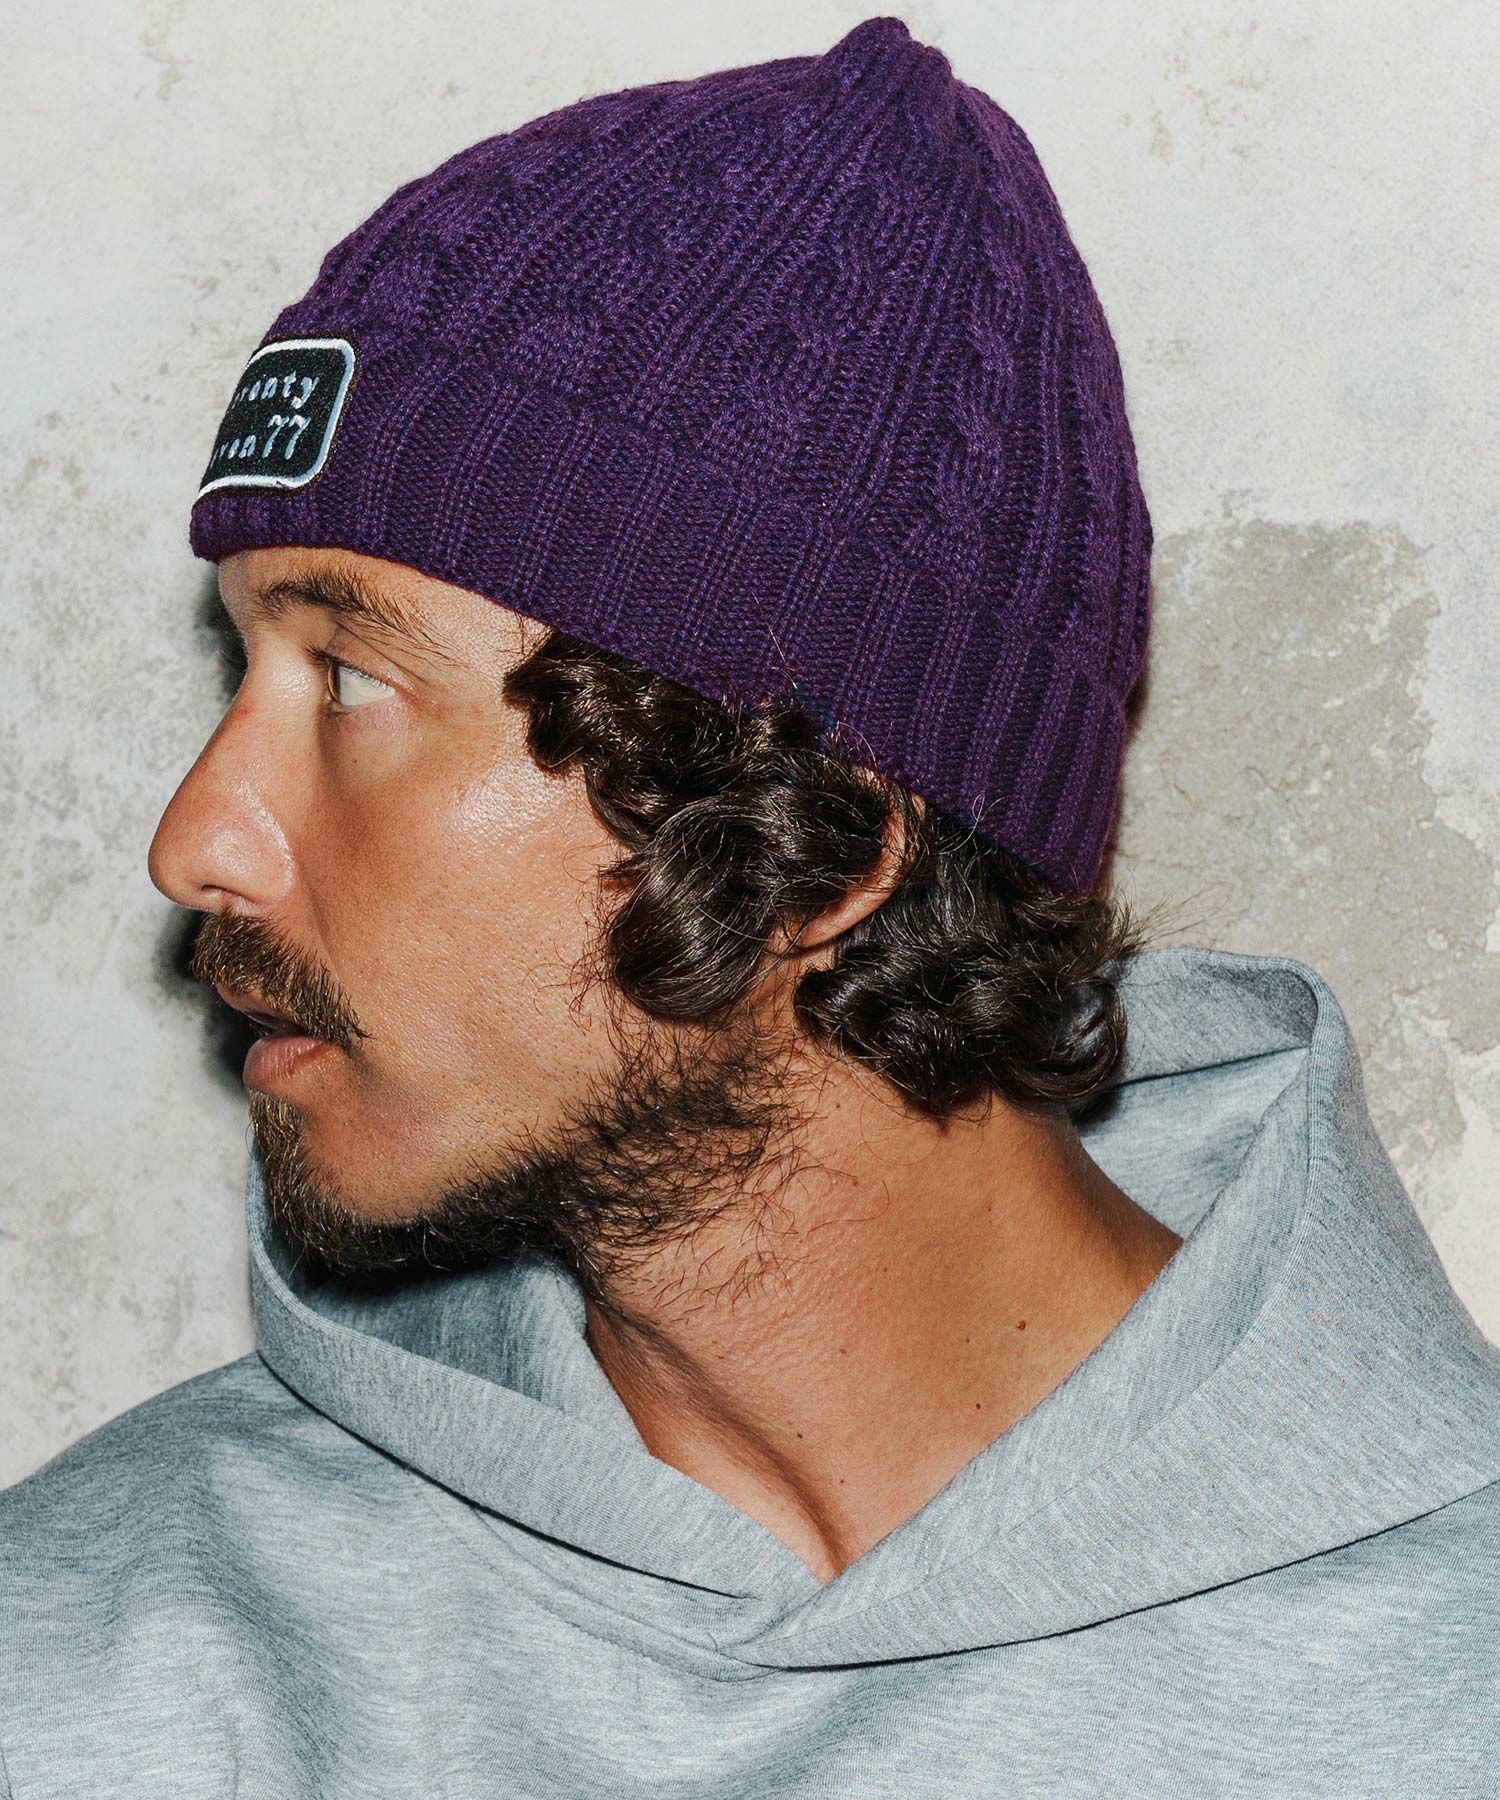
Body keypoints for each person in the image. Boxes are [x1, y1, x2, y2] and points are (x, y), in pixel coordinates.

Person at [3, 15, 1497, 1796]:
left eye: (351, 678)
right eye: (242, 664)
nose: (197, 842)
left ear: (822, 832)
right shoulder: (102, 1668)